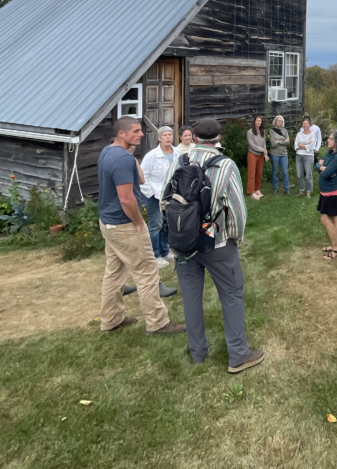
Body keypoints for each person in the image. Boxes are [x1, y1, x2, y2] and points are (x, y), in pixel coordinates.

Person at [172, 118, 265, 373]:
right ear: (218, 138)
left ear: (195, 137)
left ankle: (197, 352)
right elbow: (236, 209)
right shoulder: (225, 165)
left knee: (191, 298)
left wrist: (177, 232)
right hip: (217, 241)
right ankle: (238, 355)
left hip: (184, 243)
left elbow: (164, 200)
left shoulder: (179, 161)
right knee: (232, 295)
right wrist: (235, 238)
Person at [96, 116, 185, 336]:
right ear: (121, 134)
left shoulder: (109, 152)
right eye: (135, 131)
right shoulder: (121, 159)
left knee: (114, 273)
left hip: (108, 223)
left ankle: (111, 319)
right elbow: (127, 198)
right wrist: (138, 223)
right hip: (124, 225)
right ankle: (158, 323)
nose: (141, 134)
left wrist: (131, 157)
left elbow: (142, 180)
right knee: (147, 273)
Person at [138, 127, 179, 298]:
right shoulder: (152, 155)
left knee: (166, 222)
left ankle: (164, 250)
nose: (168, 137)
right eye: (165, 135)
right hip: (153, 194)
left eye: (170, 135)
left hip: (169, 194)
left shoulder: (176, 153)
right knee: (155, 224)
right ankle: (155, 254)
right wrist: (149, 193)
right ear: (159, 138)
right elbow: (142, 175)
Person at [317, 129, 337, 260]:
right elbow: (317, 165)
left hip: (332, 192)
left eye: (330, 138)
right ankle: (335, 244)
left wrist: (324, 168)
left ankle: (336, 248)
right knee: (333, 217)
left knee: (325, 219)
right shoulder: (330, 154)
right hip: (326, 191)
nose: (328, 140)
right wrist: (321, 166)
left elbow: (325, 173)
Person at [246, 116, 268, 200]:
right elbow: (252, 145)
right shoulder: (250, 132)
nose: (259, 122)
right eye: (257, 121)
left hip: (260, 155)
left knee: (259, 173)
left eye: (260, 121)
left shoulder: (263, 132)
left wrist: (265, 155)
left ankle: (257, 189)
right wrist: (263, 150)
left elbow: (264, 144)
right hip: (252, 154)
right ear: (254, 121)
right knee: (252, 173)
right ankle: (251, 192)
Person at [294, 117, 318, 197]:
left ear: (309, 124)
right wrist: (305, 145)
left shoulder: (312, 135)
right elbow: (295, 146)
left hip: (308, 156)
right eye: (304, 124)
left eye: (306, 124)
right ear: (302, 125)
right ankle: (301, 190)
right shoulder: (299, 134)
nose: (305, 125)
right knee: (299, 175)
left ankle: (308, 192)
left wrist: (301, 145)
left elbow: (310, 147)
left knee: (308, 175)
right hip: (299, 156)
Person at [268, 115, 291, 195]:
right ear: (275, 121)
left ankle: (287, 189)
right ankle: (275, 188)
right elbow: (273, 144)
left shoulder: (284, 130)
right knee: (275, 171)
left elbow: (288, 142)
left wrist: (279, 142)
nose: (279, 122)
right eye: (278, 120)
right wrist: (283, 141)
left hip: (284, 154)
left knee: (285, 172)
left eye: (281, 121)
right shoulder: (271, 131)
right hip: (274, 154)